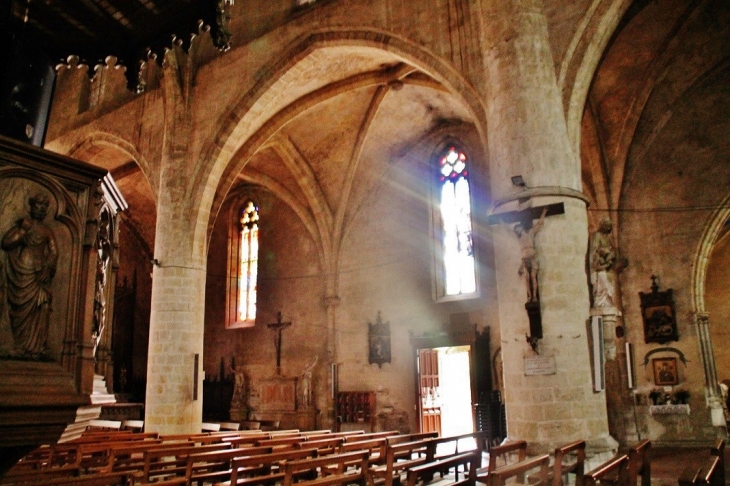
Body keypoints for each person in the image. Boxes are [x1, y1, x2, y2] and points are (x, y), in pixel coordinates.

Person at [1, 192, 58, 358]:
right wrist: (23, 231)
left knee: (42, 305)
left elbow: (54, 252)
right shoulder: (23, 225)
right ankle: (19, 345)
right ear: (31, 206)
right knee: (19, 308)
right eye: (38, 206)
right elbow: (6, 243)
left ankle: (37, 346)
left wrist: (48, 266)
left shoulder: (47, 231)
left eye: (44, 207)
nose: (41, 210)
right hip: (23, 270)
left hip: (39, 273)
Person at [589, 218, 625, 308]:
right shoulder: (598, 235)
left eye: (610, 226)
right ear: (603, 226)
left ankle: (607, 304)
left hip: (607, 267)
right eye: (607, 226)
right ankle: (601, 304)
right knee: (602, 287)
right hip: (601, 266)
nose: (609, 228)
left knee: (609, 288)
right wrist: (603, 254)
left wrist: (610, 255)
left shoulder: (607, 238)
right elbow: (595, 250)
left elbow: (610, 249)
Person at [514, 207, 547, 302]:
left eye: (518, 228)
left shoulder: (531, 233)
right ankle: (529, 297)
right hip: (524, 260)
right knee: (526, 278)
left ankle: (535, 296)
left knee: (533, 277)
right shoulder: (519, 238)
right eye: (516, 230)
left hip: (532, 257)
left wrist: (544, 212)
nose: (517, 231)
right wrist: (501, 222)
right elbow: (509, 230)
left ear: (522, 227)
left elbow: (539, 223)